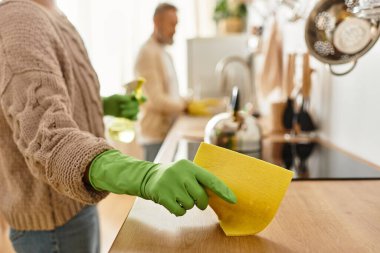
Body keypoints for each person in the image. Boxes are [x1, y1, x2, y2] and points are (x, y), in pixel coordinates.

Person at [0, 0, 237, 252]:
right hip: (51, 223)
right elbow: (47, 136)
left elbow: (50, 101)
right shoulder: (18, 21)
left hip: (77, 201)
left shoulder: (55, 14)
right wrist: (144, 175)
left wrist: (103, 105)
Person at [134, 3, 209, 162]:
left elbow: (170, 94)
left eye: (176, 25)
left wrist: (184, 101)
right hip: (154, 136)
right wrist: (185, 106)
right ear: (157, 22)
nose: (174, 29)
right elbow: (155, 99)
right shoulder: (147, 53)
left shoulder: (163, 53)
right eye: (171, 24)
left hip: (166, 132)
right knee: (154, 185)